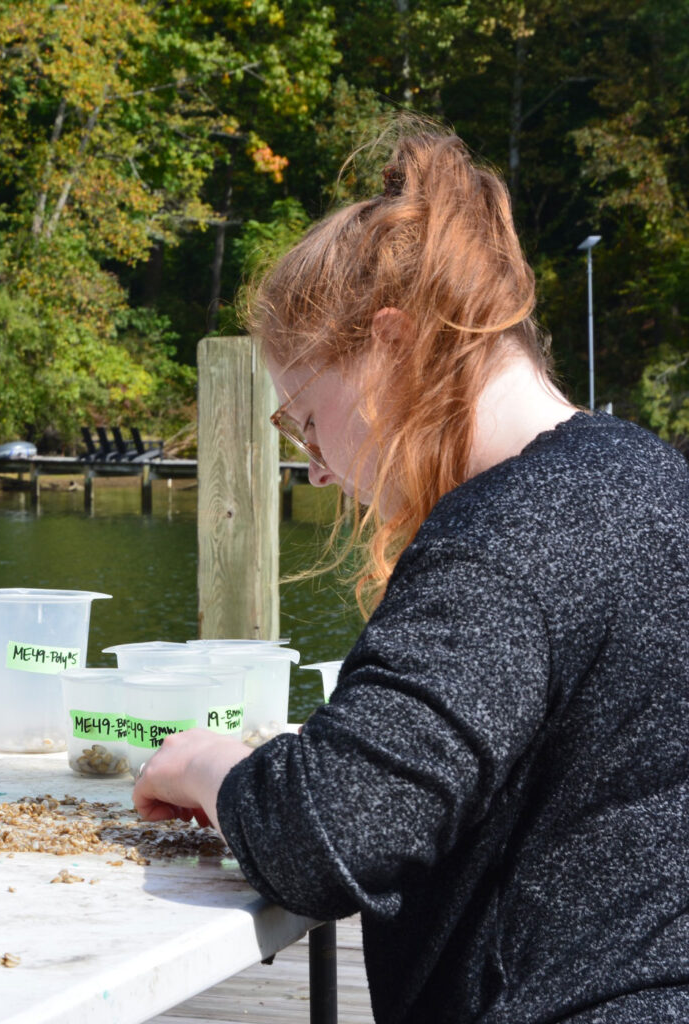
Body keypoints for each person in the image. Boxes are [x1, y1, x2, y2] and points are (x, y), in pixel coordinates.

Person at [133, 129, 689, 1021]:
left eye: (309, 419)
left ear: (391, 348)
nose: (314, 466)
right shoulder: (656, 478)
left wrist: (208, 763)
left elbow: (333, 831)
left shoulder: (507, 538)